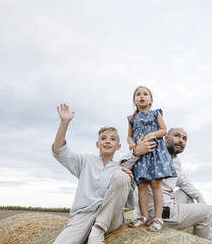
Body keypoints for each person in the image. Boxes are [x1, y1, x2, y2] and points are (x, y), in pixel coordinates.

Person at [52, 103, 155, 244]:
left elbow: (130, 202)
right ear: (97, 144)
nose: (107, 141)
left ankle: (98, 230)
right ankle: (93, 230)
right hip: (83, 215)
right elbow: (59, 151)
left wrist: (129, 182)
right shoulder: (85, 160)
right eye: (104, 138)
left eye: (113, 139)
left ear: (118, 146)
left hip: (110, 219)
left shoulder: (121, 167)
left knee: (122, 175)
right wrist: (64, 123)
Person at [128, 127, 212, 242]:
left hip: (168, 204)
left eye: (184, 139)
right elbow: (129, 164)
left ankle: (204, 231)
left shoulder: (176, 161)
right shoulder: (152, 152)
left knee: (187, 195)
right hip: (155, 212)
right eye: (177, 136)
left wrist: (201, 200)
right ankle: (207, 238)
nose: (181, 140)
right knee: (206, 212)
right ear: (165, 138)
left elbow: (184, 182)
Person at [126, 86, 177, 232]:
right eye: (138, 94)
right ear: (134, 100)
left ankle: (158, 217)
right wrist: (131, 143)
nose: (141, 96)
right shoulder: (131, 118)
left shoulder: (156, 113)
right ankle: (143, 216)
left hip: (154, 152)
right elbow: (129, 135)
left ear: (151, 100)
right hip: (141, 154)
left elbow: (163, 130)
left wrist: (150, 135)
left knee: (155, 183)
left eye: (145, 94)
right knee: (141, 185)